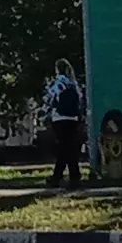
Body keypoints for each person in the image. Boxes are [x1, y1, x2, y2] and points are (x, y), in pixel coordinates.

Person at [44, 59, 85, 189]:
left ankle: (60, 177)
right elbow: (80, 100)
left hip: (59, 118)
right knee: (68, 148)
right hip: (72, 119)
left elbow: (49, 98)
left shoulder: (58, 82)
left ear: (57, 69)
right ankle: (71, 177)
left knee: (65, 149)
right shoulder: (73, 83)